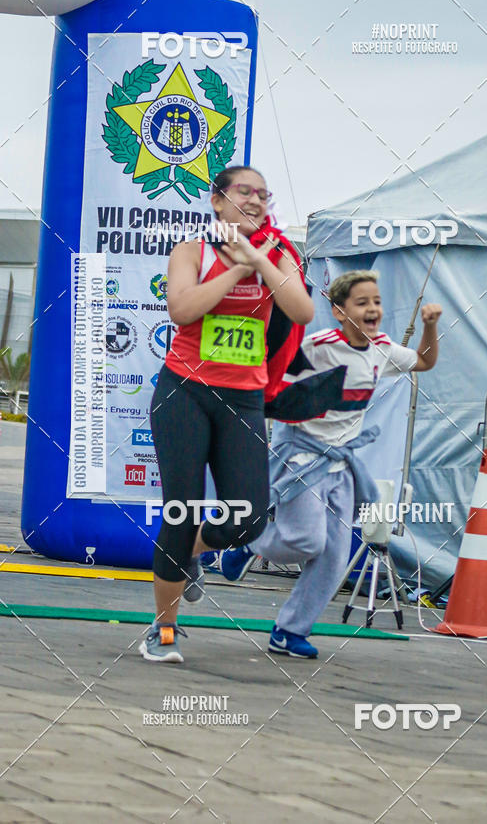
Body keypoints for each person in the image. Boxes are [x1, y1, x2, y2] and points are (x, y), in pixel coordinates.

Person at [139, 165, 313, 663]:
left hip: (243, 399)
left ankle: (190, 555)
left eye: (263, 194)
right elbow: (182, 309)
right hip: (184, 392)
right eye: (244, 191)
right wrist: (236, 270)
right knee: (181, 510)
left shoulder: (278, 253)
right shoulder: (191, 251)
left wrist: (257, 259)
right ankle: (163, 630)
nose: (255, 200)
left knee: (249, 519)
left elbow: (302, 311)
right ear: (217, 200)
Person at [220, 270, 442, 658]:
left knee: (335, 556)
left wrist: (430, 326)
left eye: (376, 301)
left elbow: (424, 361)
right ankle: (248, 541)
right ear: (339, 311)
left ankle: (289, 631)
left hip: (341, 461)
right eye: (362, 302)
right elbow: (270, 378)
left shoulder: (383, 348)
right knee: (307, 540)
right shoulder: (318, 347)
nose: (372, 309)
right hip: (302, 454)